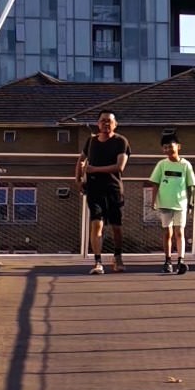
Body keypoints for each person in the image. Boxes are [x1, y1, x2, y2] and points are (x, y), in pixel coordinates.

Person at [76, 110, 128, 273]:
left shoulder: (120, 141)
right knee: (96, 223)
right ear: (98, 124)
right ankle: (98, 262)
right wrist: (78, 179)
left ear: (115, 124)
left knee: (116, 226)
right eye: (103, 121)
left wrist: (94, 169)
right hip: (94, 188)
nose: (106, 124)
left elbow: (119, 166)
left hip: (113, 188)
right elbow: (81, 160)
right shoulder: (91, 141)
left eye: (109, 121)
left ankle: (117, 257)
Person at [148, 136, 195, 276]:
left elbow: (191, 185)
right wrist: (153, 201)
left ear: (178, 147)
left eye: (170, 146)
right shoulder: (162, 164)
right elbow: (155, 183)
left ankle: (181, 260)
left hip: (180, 204)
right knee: (167, 232)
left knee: (179, 232)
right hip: (165, 203)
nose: (168, 149)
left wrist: (191, 203)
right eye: (165, 147)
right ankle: (168, 260)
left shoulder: (185, 165)